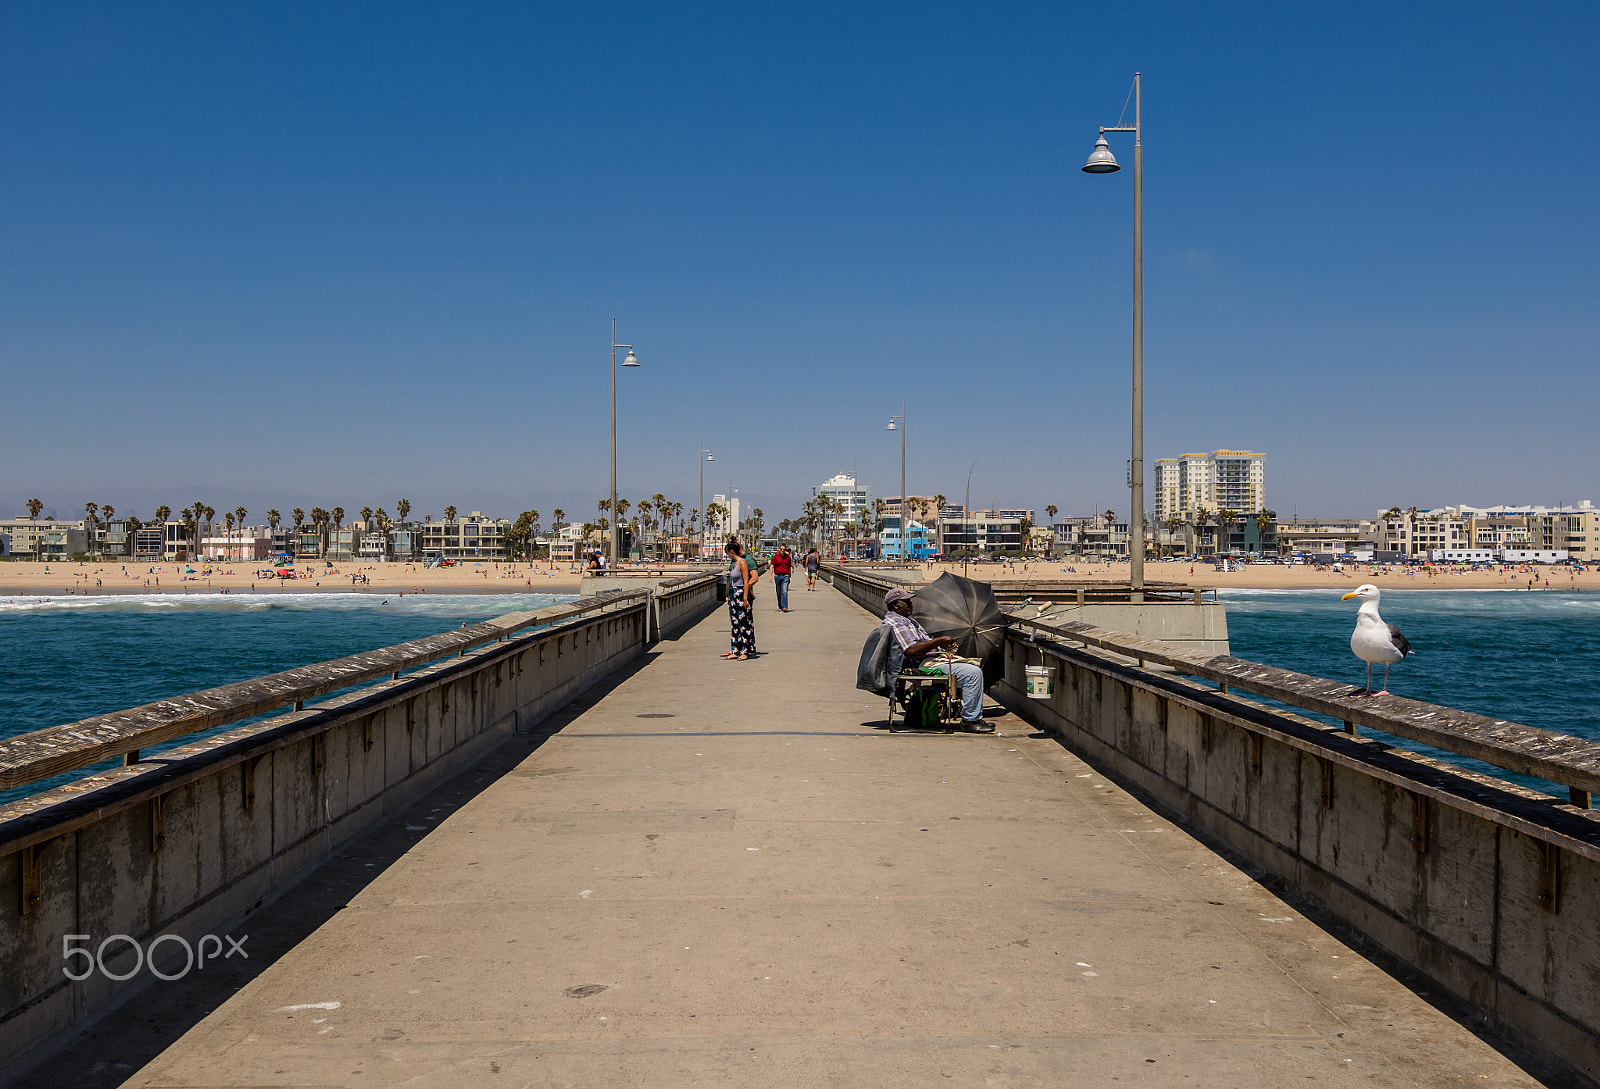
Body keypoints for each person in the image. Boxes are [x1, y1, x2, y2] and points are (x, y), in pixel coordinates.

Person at [880, 587, 992, 732]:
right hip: (921, 665)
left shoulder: (905, 620)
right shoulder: (896, 622)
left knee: (973, 663)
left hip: (928, 660)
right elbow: (911, 650)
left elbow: (921, 644)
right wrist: (939, 641)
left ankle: (965, 711)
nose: (910, 604)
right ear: (895, 605)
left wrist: (943, 646)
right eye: (906, 601)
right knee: (972, 673)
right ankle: (970, 720)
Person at [722, 537, 756, 660]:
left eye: (727, 552)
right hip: (734, 595)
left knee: (744, 624)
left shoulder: (742, 562)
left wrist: (745, 598)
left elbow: (746, 581)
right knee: (735, 624)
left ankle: (744, 651)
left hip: (741, 594)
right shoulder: (735, 563)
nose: (727, 555)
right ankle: (735, 650)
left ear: (732, 551)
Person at [770, 545, 794, 611]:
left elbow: (789, 567)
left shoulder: (788, 557)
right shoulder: (775, 557)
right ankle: (780, 605)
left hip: (785, 576)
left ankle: (785, 606)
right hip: (777, 576)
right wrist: (770, 576)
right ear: (779, 549)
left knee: (784, 592)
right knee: (778, 592)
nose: (782, 551)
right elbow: (772, 566)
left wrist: (789, 577)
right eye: (781, 549)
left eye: (784, 549)